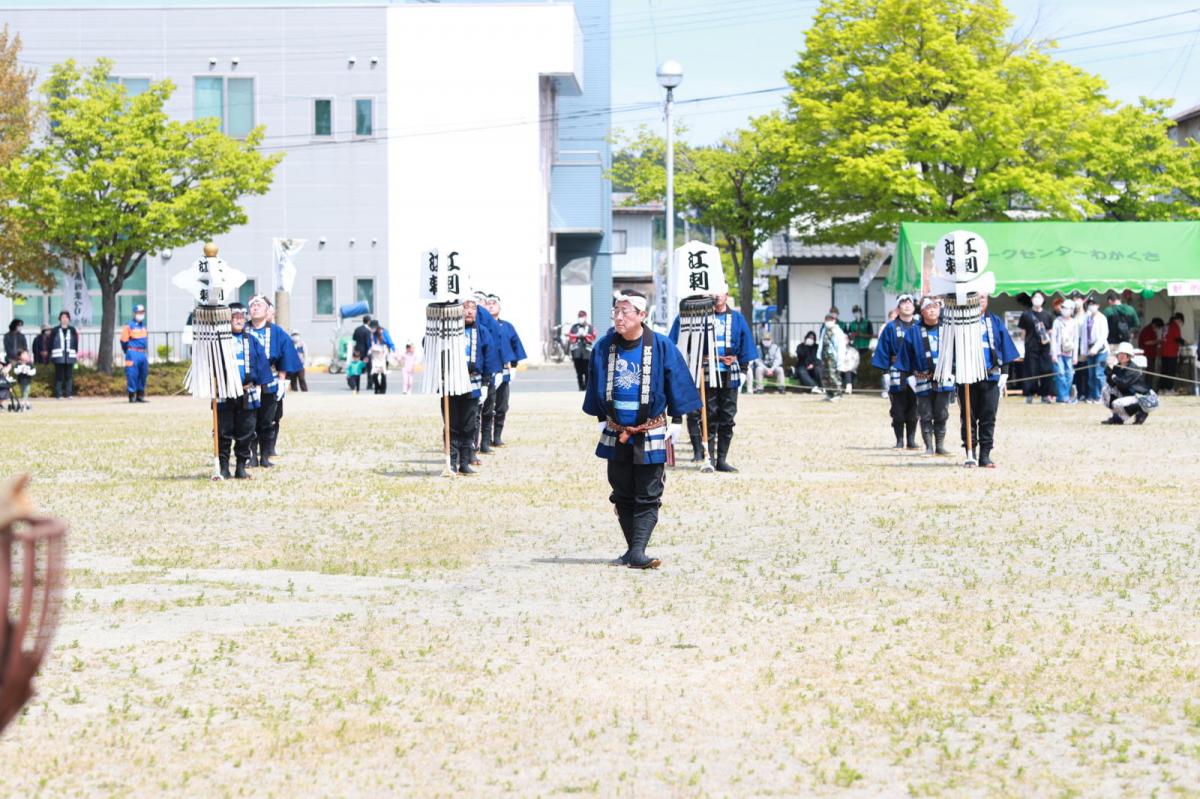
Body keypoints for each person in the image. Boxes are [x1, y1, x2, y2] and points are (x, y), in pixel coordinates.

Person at [583, 290, 700, 569]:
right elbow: (595, 382)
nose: (619, 317)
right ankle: (631, 549)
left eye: (625, 312)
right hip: (616, 429)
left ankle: (638, 550)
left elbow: (679, 383)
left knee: (648, 491)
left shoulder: (661, 346)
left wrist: (677, 421)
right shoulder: (603, 347)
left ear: (641, 316)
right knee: (621, 490)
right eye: (616, 312)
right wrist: (601, 416)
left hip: (651, 429)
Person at [668, 291, 757, 471]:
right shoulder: (697, 316)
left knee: (728, 416)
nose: (716, 296)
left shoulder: (737, 318)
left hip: (729, 370)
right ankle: (708, 457)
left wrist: (744, 370)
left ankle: (722, 460)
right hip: (706, 369)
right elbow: (679, 340)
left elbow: (745, 343)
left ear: (726, 294)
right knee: (708, 415)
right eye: (713, 292)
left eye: (720, 292)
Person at [957, 293, 1020, 468]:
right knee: (968, 416)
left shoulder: (995, 321)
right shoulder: (959, 321)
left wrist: (1005, 372)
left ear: (987, 301)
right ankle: (971, 453)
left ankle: (985, 455)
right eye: (975, 298)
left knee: (988, 416)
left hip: (991, 376)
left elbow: (1005, 347)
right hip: (967, 377)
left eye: (982, 298)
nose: (979, 302)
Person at [246, 295, 303, 467]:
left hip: (270, 381)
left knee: (267, 420)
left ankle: (265, 455)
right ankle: (250, 456)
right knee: (249, 421)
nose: (255, 308)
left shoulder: (277, 332)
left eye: (259, 305)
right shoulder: (243, 330)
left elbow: (286, 354)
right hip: (248, 383)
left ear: (267, 310)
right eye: (253, 305)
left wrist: (282, 380)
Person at [218, 304, 273, 479]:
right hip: (225, 392)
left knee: (246, 431)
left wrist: (260, 387)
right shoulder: (219, 342)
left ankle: (241, 466)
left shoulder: (251, 340)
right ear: (227, 319)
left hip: (247, 391)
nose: (239, 320)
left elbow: (262, 366)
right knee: (223, 432)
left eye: (242, 316)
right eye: (235, 317)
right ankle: (224, 467)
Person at [897, 298, 954, 456]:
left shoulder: (948, 329)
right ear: (921, 311)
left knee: (942, 413)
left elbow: (957, 352)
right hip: (922, 377)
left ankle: (940, 445)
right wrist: (908, 377)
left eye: (935, 307)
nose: (932, 310)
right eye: (928, 307)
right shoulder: (914, 331)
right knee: (925, 413)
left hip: (944, 377)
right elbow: (905, 356)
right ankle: (928, 446)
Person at [448, 298, 493, 475]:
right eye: (465, 308)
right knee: (452, 424)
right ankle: (451, 461)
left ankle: (465, 461)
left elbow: (489, 358)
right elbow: (428, 345)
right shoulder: (448, 331)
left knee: (469, 425)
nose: (469, 311)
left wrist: (485, 384)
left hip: (473, 383)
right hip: (452, 383)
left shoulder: (482, 332)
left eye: (472, 308)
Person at [871, 294, 919, 448]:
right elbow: (883, 350)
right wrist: (885, 372)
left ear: (914, 306)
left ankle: (911, 440)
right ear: (898, 308)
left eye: (909, 303)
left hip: (916, 372)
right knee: (897, 407)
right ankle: (899, 440)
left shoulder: (919, 326)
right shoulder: (891, 327)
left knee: (914, 406)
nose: (906, 306)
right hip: (896, 371)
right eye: (903, 303)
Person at [485, 294, 527, 448]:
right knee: (486, 406)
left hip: (503, 371)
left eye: (494, 303)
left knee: (501, 406)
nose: (491, 306)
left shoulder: (507, 326)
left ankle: (497, 436)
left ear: (499, 306)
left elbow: (515, 345)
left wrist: (514, 366)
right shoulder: (481, 326)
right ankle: (484, 438)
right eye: (488, 303)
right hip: (487, 371)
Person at [1101, 342, 1156, 425]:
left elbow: (1124, 383)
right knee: (1106, 390)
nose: (1121, 356)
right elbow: (1111, 383)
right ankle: (1116, 416)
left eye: (1124, 354)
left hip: (1142, 397)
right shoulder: (1118, 367)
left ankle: (1139, 412)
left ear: (1129, 356)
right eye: (1120, 354)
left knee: (1117, 403)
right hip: (1127, 394)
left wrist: (1113, 376)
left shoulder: (1134, 369)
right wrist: (1109, 368)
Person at [1017, 291, 1054, 404]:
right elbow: (1022, 332)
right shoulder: (1026, 314)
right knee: (1030, 371)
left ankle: (1045, 395)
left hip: (1045, 348)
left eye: (1040, 297)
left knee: (1045, 370)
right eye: (1035, 297)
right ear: (1031, 299)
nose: (1037, 299)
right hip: (1031, 347)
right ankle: (1029, 395)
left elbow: (1051, 332)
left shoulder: (1048, 315)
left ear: (1043, 299)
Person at [120, 304, 149, 403]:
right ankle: (132, 396)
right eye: (139, 313)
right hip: (132, 352)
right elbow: (123, 341)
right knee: (132, 375)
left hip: (142, 353)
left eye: (142, 313)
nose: (141, 315)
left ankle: (140, 396)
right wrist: (127, 351)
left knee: (143, 374)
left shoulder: (143, 326)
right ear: (135, 313)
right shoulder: (129, 326)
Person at [816, 312, 848, 402]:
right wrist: (819, 355)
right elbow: (821, 343)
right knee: (825, 376)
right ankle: (829, 394)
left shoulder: (838, 331)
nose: (828, 321)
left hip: (833, 357)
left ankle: (838, 394)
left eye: (830, 319)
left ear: (834, 320)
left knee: (833, 376)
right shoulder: (824, 330)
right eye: (827, 319)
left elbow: (841, 347)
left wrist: (840, 360)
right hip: (824, 356)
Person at [1050, 299, 1078, 404]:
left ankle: (1066, 395)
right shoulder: (1057, 321)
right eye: (1063, 308)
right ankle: (1063, 397)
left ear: (1071, 310)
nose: (1064, 310)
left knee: (1069, 374)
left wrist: (1075, 355)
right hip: (1058, 352)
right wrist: (1053, 353)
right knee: (1060, 373)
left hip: (1070, 352)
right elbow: (1053, 338)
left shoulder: (1074, 322)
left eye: (1067, 308)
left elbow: (1076, 339)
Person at [1082, 299, 1110, 403]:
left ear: (1098, 305)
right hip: (1089, 350)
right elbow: (1084, 335)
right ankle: (1092, 395)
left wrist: (1095, 348)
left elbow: (1104, 335)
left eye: (1093, 304)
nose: (1091, 306)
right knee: (1091, 375)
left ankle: (1100, 396)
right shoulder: (1087, 317)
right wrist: (1084, 351)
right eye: (1089, 304)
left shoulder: (1102, 318)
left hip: (1101, 350)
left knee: (1099, 374)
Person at [50, 311, 79, 400]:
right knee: (59, 375)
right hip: (58, 356)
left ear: (69, 319)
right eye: (63, 317)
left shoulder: (72, 329)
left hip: (70, 355)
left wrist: (75, 352)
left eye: (66, 317)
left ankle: (69, 393)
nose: (64, 319)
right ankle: (58, 394)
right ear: (60, 319)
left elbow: (75, 342)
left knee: (69, 375)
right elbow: (51, 342)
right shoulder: (55, 330)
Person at [844, 305, 873, 392]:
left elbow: (871, 335)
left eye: (857, 312)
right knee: (851, 366)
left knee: (862, 367)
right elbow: (849, 335)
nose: (856, 314)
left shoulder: (867, 322)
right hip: (854, 348)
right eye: (854, 312)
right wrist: (852, 336)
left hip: (865, 347)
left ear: (861, 312)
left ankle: (862, 385)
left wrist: (860, 334)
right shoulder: (852, 324)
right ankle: (850, 385)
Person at [1158, 313, 1186, 392]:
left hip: (1163, 352)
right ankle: (1169, 389)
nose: (1180, 324)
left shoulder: (1166, 326)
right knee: (1171, 372)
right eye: (1181, 322)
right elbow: (1177, 338)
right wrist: (1185, 342)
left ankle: (1161, 389)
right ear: (1179, 320)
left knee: (1164, 371)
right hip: (1171, 352)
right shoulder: (1175, 326)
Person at [568, 310, 595, 391]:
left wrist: (586, 335)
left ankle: (587, 387)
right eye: (579, 317)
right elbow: (570, 336)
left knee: (587, 370)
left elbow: (593, 336)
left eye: (582, 317)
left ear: (585, 317)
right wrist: (577, 335)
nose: (581, 318)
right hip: (577, 352)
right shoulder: (574, 327)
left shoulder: (590, 327)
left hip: (587, 352)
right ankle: (580, 386)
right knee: (579, 371)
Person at [368, 329, 390, 394]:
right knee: (374, 375)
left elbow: (386, 350)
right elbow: (370, 351)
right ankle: (377, 388)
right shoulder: (373, 341)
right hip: (375, 360)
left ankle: (383, 390)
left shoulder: (384, 342)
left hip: (382, 360)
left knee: (383, 375)